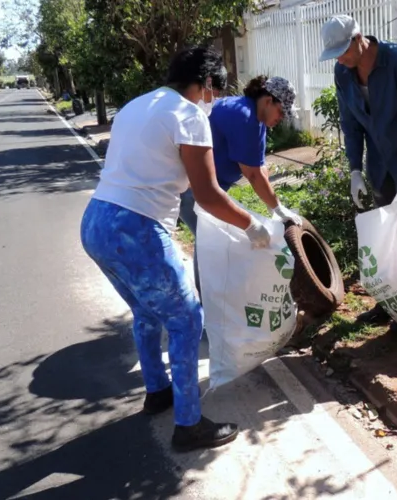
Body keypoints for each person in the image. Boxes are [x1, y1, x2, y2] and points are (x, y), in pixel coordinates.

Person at [80, 47, 271, 452]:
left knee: (147, 312)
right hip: (136, 229)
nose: (215, 99)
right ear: (203, 84)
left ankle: (158, 391)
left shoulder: (136, 105)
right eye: (215, 90)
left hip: (95, 223)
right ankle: (188, 424)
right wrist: (252, 224)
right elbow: (207, 195)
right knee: (187, 319)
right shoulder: (188, 115)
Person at [318, 14, 397, 326]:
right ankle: (390, 306)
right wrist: (355, 169)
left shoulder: (396, 60)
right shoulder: (343, 74)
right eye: (336, 56)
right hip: (380, 164)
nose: (342, 60)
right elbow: (351, 125)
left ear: (360, 39)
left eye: (344, 51)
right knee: (385, 237)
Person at [178, 74, 304, 292]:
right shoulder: (244, 117)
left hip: (207, 189)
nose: (281, 119)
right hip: (194, 190)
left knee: (213, 242)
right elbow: (253, 175)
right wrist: (277, 208)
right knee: (213, 244)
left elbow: (259, 166)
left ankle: (213, 302)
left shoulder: (254, 116)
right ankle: (209, 308)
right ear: (268, 100)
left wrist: (275, 206)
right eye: (281, 112)